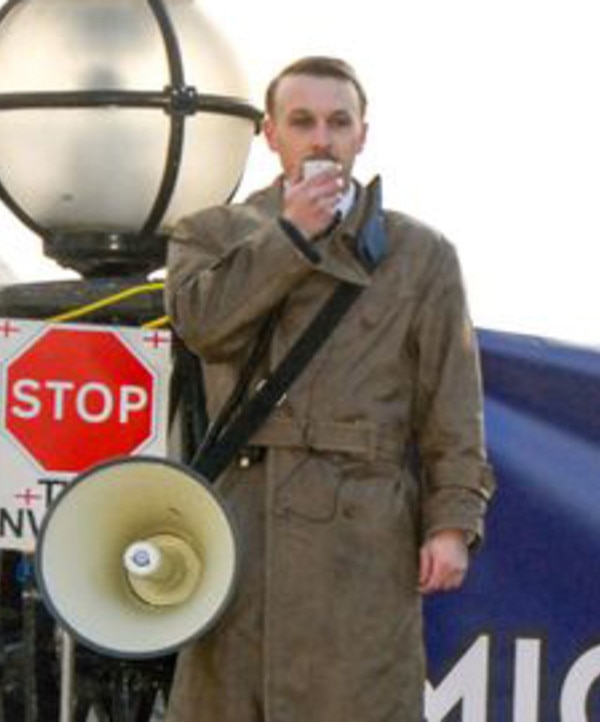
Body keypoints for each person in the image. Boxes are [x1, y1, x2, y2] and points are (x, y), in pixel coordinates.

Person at [162, 56, 495, 721]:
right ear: (271, 134)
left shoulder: (419, 254)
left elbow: (450, 403)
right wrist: (289, 239)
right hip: (239, 531)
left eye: (339, 123)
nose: (322, 139)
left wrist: (453, 520)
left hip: (362, 535)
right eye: (303, 121)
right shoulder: (212, 233)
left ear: (362, 135)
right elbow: (204, 329)